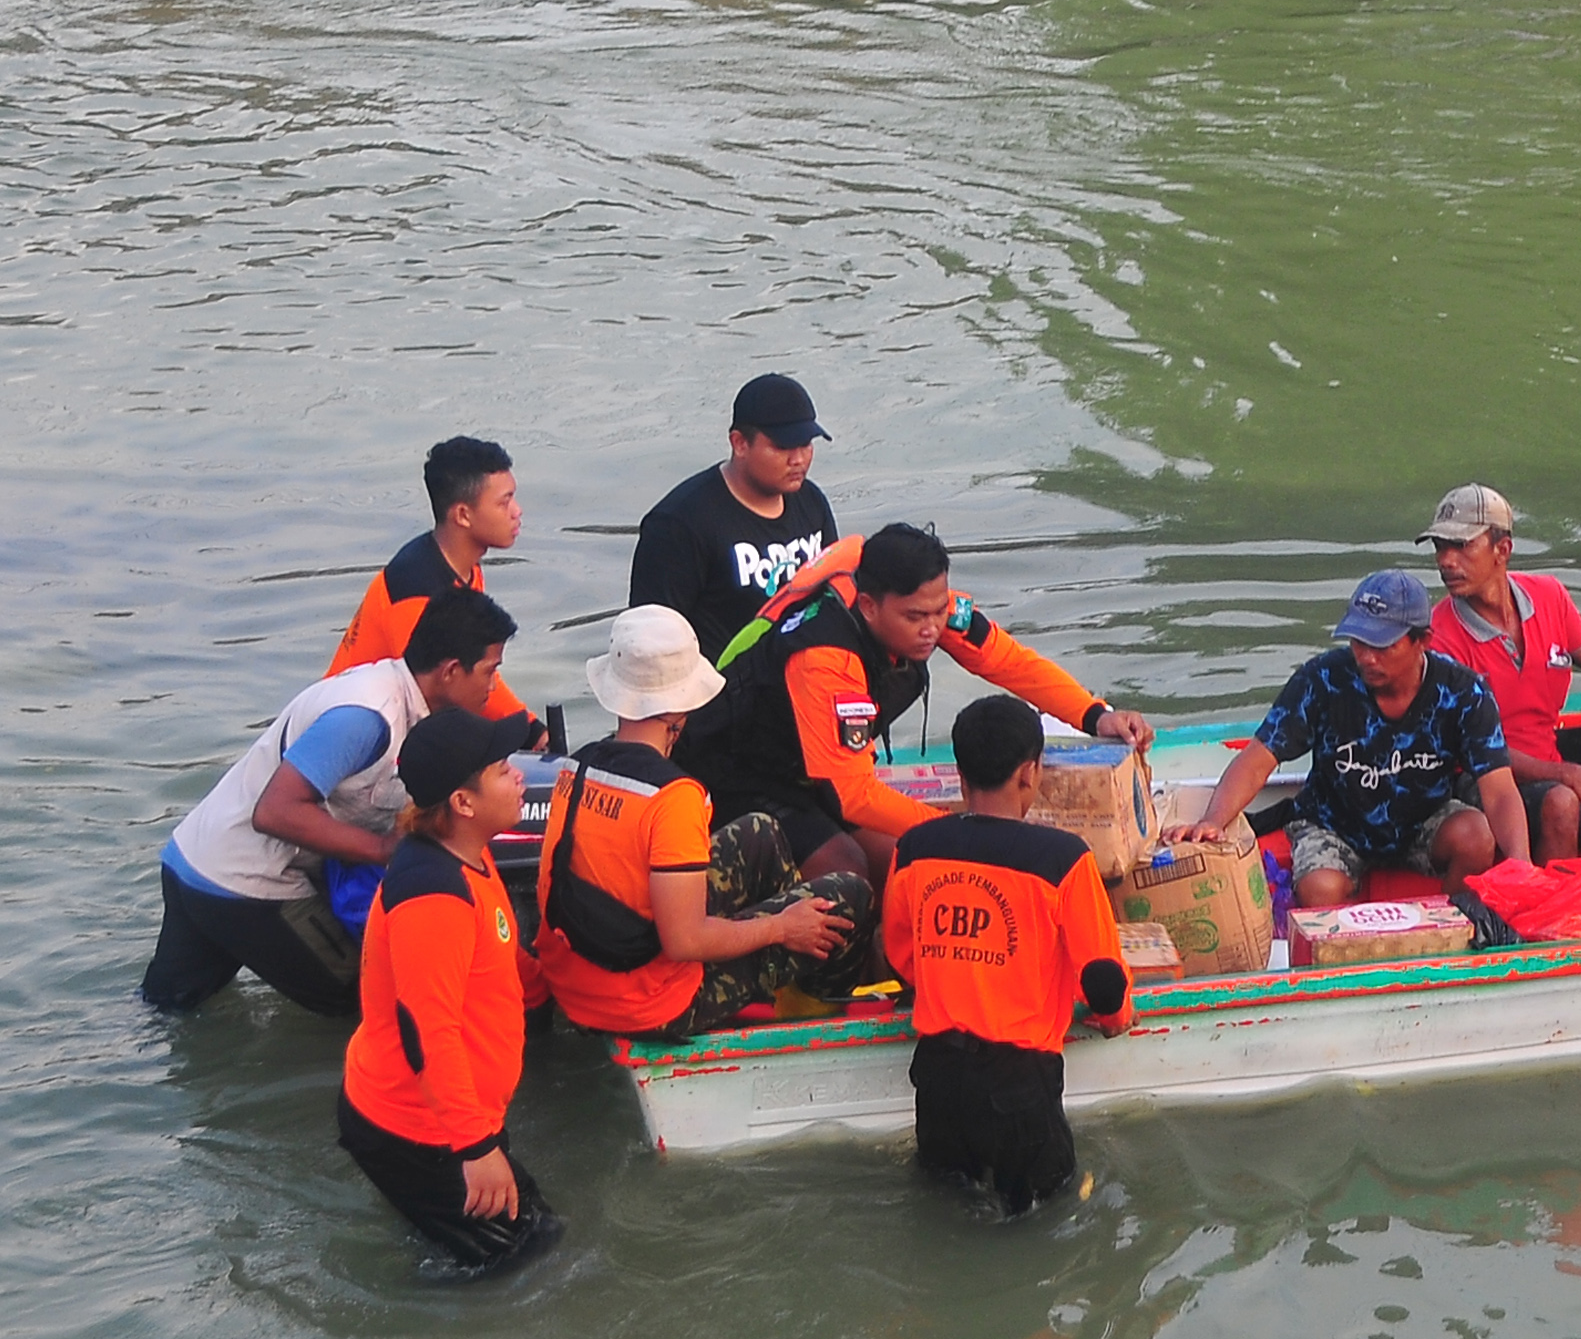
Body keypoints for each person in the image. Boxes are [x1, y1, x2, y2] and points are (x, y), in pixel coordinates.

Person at [676, 519, 1155, 903]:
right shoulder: (826, 660)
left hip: (815, 769)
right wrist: (964, 831)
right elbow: (854, 797)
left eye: (939, 611)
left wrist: (1095, 715)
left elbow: (1006, 659)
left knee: (906, 860)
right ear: (868, 607)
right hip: (739, 778)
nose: (932, 629)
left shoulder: (923, 607)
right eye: (915, 617)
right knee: (848, 868)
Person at [142, 589, 516, 1015]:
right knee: (373, 998)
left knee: (166, 1014)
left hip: (191, 860)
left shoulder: (391, 691)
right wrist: (383, 851)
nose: (493, 686)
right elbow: (275, 811)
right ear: (451, 670)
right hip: (247, 883)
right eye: (491, 671)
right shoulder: (367, 717)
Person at [533, 605, 867, 1041]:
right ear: (680, 711)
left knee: (760, 832)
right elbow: (684, 942)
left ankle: (780, 978)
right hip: (651, 1004)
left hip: (581, 983)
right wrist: (782, 927)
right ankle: (807, 1010)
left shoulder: (575, 769)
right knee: (850, 895)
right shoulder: (675, 797)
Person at [334, 706, 562, 1279]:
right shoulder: (433, 896)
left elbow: (501, 955)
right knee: (523, 1261)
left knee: (542, 1236)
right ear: (463, 802)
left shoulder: (469, 852)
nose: (519, 776)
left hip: (452, 1118)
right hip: (417, 1131)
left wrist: (553, 991)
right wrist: (475, 1150)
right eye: (503, 769)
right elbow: (426, 1031)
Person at [883, 695, 1135, 1211]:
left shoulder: (913, 849)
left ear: (959, 772)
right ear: (1029, 772)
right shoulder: (1063, 859)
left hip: (936, 1079)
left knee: (947, 1210)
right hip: (1019, 1087)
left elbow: (902, 954)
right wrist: (1115, 1017)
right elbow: (1103, 978)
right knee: (1048, 1212)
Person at [1184, 570, 1531, 906]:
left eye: (1382, 645)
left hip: (1421, 821)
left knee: (1476, 836)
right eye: (1358, 641)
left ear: (1422, 641)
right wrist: (1213, 821)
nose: (1366, 657)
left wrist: (1521, 865)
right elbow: (1258, 759)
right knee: (1319, 887)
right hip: (1332, 824)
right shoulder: (1323, 678)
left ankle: (1448, 928)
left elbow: (1499, 791)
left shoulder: (1464, 691)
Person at [1418, 484, 1581, 861]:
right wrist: (1568, 775)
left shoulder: (1549, 595)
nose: (1446, 560)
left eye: (1461, 546)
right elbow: (1473, 750)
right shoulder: (1438, 639)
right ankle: (1555, 908)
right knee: (1561, 804)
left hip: (1553, 766)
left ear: (1502, 550)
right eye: (1440, 547)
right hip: (1480, 782)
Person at [629, 374, 842, 665]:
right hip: (721, 696)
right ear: (740, 443)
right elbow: (648, 644)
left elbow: (835, 599)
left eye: (806, 444)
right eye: (783, 447)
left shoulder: (812, 502)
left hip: (804, 679)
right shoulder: (679, 524)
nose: (799, 459)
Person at [328, 435, 530, 720]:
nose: (517, 511)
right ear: (463, 514)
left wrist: (527, 725)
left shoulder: (465, 566)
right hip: (356, 728)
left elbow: (475, 667)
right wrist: (526, 725)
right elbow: (441, 689)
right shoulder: (414, 591)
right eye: (504, 502)